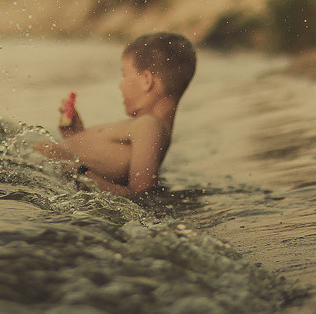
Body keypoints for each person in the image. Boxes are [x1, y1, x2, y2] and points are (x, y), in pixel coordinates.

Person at [32, 32, 196, 196]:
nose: (120, 85)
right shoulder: (146, 128)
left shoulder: (150, 125)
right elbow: (108, 165)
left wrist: (72, 166)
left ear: (146, 80)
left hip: (36, 172)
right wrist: (77, 136)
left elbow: (143, 197)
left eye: (124, 75)